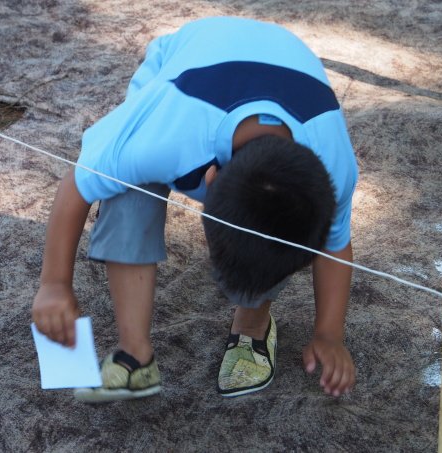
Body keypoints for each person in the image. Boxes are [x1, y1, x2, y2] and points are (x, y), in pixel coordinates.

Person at [32, 16, 358, 402]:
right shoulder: (159, 136)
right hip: (185, 71)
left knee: (273, 232)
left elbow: (335, 244)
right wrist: (54, 284)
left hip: (287, 70)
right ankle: (135, 354)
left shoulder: (332, 168)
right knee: (128, 193)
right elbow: (78, 183)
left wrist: (329, 333)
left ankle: (252, 325)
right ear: (209, 180)